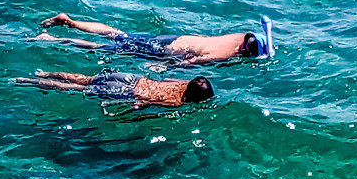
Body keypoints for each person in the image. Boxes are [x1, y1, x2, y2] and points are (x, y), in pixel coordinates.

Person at [32, 13, 274, 64]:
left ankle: (71, 22)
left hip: (174, 38)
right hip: (165, 51)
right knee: (104, 48)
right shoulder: (229, 53)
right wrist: (165, 66)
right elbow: (195, 61)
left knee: (117, 35)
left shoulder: (240, 36)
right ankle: (52, 40)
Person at [14, 69, 214, 108]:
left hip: (132, 78)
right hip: (128, 92)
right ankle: (28, 81)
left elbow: (166, 78)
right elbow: (147, 103)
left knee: (85, 80)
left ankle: (44, 74)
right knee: (74, 89)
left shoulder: (182, 82)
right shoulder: (177, 102)